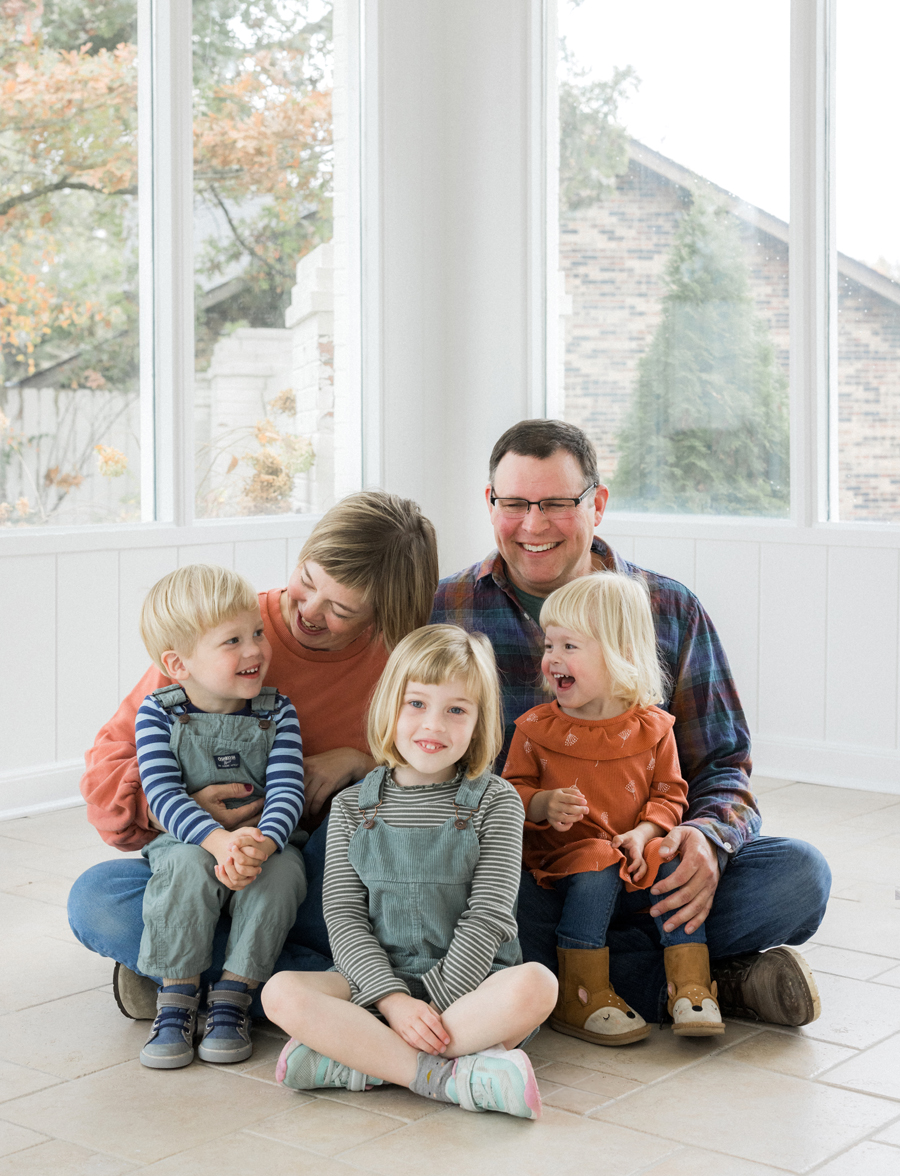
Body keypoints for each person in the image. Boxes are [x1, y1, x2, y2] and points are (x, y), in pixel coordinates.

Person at [432, 419, 832, 1028]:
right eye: (513, 503)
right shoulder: (449, 609)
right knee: (460, 900)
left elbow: (724, 763)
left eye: (557, 504)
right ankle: (708, 979)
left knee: (800, 877)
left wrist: (706, 840)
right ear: (491, 503)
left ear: (597, 504)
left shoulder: (668, 608)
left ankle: (585, 983)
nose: (533, 525)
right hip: (533, 879)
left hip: (652, 871)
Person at [68, 492, 439, 1019]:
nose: (309, 611)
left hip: (303, 872)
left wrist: (363, 762)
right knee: (97, 901)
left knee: (358, 886)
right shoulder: (226, 627)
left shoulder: (401, 662)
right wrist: (182, 808)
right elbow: (109, 764)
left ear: (383, 613)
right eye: (307, 581)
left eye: (341, 609)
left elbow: (447, 781)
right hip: (199, 858)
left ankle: (184, 971)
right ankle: (335, 990)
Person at [262, 624, 557, 1121]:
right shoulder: (353, 805)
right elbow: (344, 916)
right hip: (376, 986)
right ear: (389, 707)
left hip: (473, 989)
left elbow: (488, 914)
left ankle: (364, 1060)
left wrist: (433, 1005)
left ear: (480, 720)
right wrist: (396, 1002)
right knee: (280, 993)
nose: (434, 726)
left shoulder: (498, 802)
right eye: (416, 704)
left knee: (538, 985)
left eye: (456, 710)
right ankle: (443, 1075)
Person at [504, 570, 723, 1046]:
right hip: (561, 866)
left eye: (569, 647)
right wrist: (541, 804)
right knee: (596, 861)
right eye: (548, 646)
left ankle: (690, 985)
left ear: (621, 653)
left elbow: (670, 794)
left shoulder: (654, 727)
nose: (551, 659)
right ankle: (582, 993)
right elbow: (508, 793)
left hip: (635, 858)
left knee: (682, 857)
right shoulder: (536, 728)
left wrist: (647, 834)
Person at [133, 564, 307, 1068]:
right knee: (182, 870)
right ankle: (177, 995)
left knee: (287, 874)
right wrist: (216, 842)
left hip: (261, 847)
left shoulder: (277, 711)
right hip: (192, 844)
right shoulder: (157, 713)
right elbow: (163, 795)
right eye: (232, 640)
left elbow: (287, 791)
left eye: (257, 632)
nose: (254, 649)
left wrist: (263, 846)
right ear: (178, 662)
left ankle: (233, 995)